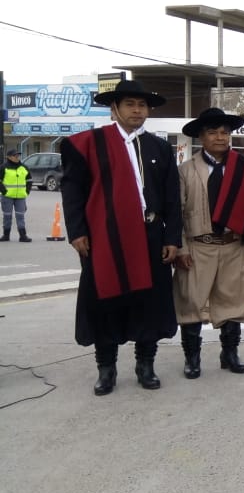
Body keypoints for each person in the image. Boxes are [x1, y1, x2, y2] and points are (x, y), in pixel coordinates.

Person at [59, 80, 181, 396]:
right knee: (105, 302)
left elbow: (171, 198)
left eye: (142, 105)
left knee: (149, 304)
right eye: (129, 104)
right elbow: (73, 192)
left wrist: (172, 237)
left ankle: (145, 365)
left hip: (150, 236)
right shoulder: (89, 144)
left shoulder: (159, 147)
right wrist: (77, 232)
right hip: (104, 238)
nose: (137, 110)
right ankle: (106, 369)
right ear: (114, 108)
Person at [173, 108, 244, 379]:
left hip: (233, 244)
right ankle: (192, 358)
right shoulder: (185, 170)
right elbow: (175, 212)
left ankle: (230, 354)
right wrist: (181, 248)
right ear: (201, 136)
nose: (220, 137)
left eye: (224, 132)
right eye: (212, 132)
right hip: (198, 246)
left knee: (233, 302)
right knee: (191, 303)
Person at [1, 147, 33, 242]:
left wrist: (26, 191)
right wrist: (4, 191)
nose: (17, 157)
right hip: (7, 197)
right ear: (9, 157)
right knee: (7, 216)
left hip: (21, 197)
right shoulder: (3, 167)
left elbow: (29, 180)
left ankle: (23, 236)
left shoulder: (24, 167)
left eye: (18, 155)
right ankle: (6, 235)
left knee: (20, 216)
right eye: (15, 155)